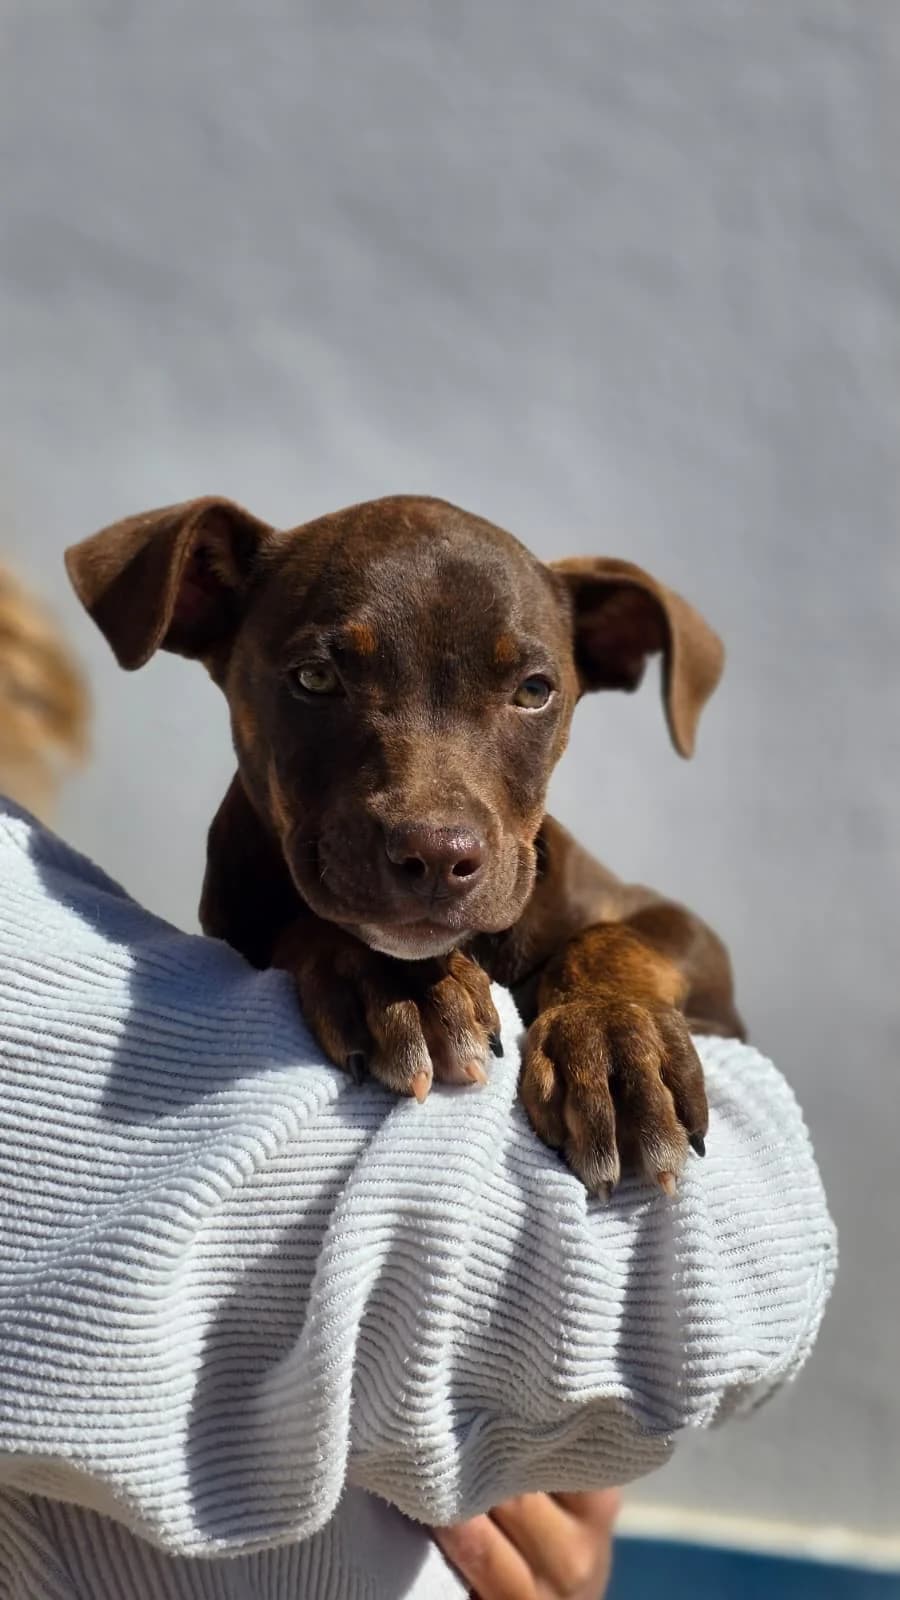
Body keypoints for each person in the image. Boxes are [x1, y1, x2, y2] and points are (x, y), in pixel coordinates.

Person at [0, 569, 836, 1600]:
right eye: (318, 678)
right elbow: (717, 1285)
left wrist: (601, 982)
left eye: (527, 691)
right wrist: (317, 947)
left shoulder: (555, 894)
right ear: (205, 624)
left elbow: (680, 950)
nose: (435, 820)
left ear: (599, 667)